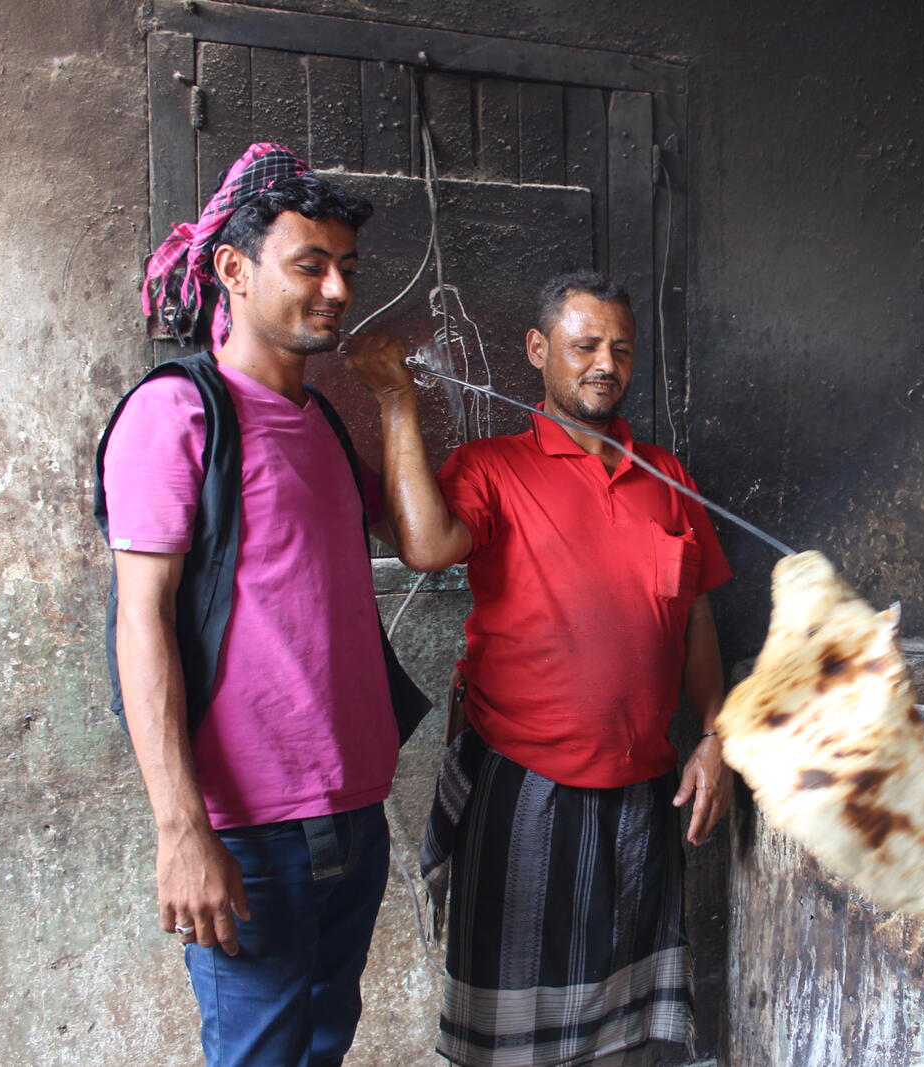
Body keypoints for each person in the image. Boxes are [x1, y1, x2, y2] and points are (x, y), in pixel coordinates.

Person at [93, 143, 427, 1067]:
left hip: (354, 810)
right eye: (309, 265)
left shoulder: (319, 422)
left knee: (321, 1046)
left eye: (347, 270)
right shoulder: (178, 415)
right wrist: (182, 830)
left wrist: (395, 403)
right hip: (250, 829)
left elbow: (421, 539)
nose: (335, 291)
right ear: (233, 270)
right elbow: (141, 622)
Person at [345, 271, 734, 1066]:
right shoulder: (493, 468)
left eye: (620, 349)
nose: (605, 364)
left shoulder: (668, 477)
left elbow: (695, 613)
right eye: (585, 344)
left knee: (630, 1034)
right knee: (513, 1039)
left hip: (641, 791)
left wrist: (718, 735)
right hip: (525, 786)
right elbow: (424, 545)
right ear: (538, 350)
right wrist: (396, 404)